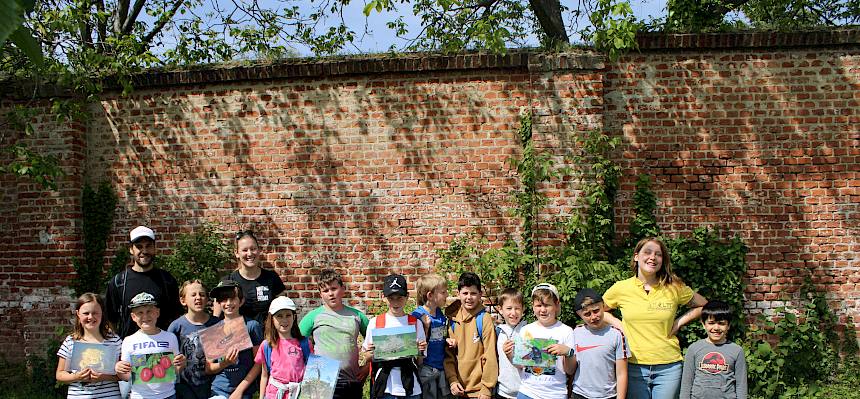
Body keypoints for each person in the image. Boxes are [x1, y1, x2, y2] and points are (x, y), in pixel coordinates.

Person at [602, 237, 708, 399]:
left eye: (658, 254)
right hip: (632, 365)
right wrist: (618, 323)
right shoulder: (621, 288)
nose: (653, 257)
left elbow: (704, 305)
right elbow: (597, 311)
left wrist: (679, 322)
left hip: (669, 367)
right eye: (648, 252)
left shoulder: (674, 287)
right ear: (636, 256)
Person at [298, 268, 370, 399]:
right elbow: (294, 342)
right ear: (320, 294)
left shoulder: (357, 316)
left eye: (334, 288)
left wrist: (367, 366)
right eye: (325, 291)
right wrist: (306, 366)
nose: (330, 294)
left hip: (351, 380)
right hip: (321, 379)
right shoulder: (313, 317)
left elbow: (374, 341)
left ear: (342, 289)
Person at [105, 226, 181, 338]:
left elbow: (176, 316)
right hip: (131, 351)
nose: (144, 251)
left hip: (162, 350)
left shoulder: (167, 280)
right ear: (131, 249)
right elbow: (110, 319)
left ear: (154, 248)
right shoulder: (119, 282)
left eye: (148, 246)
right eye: (139, 247)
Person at [363, 274, 429, 399]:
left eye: (399, 297)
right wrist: (371, 354)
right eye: (391, 298)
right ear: (384, 297)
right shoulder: (376, 322)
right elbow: (366, 356)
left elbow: (420, 361)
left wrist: (420, 351)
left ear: (407, 297)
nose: (395, 302)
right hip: (385, 386)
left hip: (410, 385)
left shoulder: (415, 323)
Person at [115, 292, 187, 399]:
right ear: (133, 317)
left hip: (168, 395)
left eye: (149, 311)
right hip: (140, 396)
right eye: (140, 313)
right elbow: (126, 376)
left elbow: (175, 369)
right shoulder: (129, 341)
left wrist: (182, 364)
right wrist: (119, 369)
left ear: (157, 312)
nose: (145, 316)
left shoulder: (170, 337)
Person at [510, 283, 575, 399]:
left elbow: (570, 370)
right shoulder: (525, 330)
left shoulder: (566, 331)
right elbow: (520, 365)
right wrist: (509, 354)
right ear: (533, 306)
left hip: (555, 394)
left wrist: (568, 352)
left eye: (547, 305)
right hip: (527, 392)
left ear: (556, 305)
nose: (543, 310)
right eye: (539, 305)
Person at [56, 293, 122, 399]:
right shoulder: (71, 341)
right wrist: (76, 376)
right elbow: (60, 375)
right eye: (86, 313)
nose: (90, 317)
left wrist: (104, 377)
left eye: (95, 313)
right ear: (78, 314)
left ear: (102, 313)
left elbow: (124, 374)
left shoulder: (114, 340)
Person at [444, 272, 498, 399]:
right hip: (457, 390)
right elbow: (449, 356)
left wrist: (487, 388)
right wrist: (452, 380)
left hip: (480, 392)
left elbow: (490, 355)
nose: (469, 297)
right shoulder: (452, 320)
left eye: (473, 293)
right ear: (458, 294)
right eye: (465, 293)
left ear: (480, 294)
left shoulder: (484, 319)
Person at [215, 231, 287, 325]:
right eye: (245, 250)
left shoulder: (272, 278)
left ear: (259, 250)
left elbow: (285, 310)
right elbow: (216, 319)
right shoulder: (228, 282)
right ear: (237, 253)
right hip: (239, 337)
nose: (249, 254)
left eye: (253, 249)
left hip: (268, 337)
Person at [208, 280, 265, 399]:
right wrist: (226, 362)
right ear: (218, 302)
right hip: (218, 390)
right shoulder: (214, 329)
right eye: (224, 299)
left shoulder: (251, 326)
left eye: (233, 298)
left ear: (241, 301)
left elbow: (259, 363)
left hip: (245, 390)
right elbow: (209, 368)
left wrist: (239, 391)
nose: (228, 303)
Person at [680, 300, 747, 399]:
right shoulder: (694, 349)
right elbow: (686, 383)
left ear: (728, 325)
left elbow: (741, 386)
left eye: (721, 323)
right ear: (703, 324)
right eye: (711, 323)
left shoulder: (737, 351)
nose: (716, 327)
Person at [571, 288, 628, 399]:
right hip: (580, 394)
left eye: (596, 310)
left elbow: (622, 373)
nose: (593, 317)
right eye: (587, 314)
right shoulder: (575, 333)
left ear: (603, 306)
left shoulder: (616, 335)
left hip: (608, 395)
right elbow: (570, 368)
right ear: (579, 315)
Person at [167, 280, 220, 399]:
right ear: (183, 300)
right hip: (184, 388)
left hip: (213, 387)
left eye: (202, 294)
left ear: (207, 299)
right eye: (193, 295)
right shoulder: (176, 327)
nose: (198, 298)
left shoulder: (217, 324)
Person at [255, 295, 309, 399]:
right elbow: (264, 375)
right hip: (274, 394)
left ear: (294, 317)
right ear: (272, 319)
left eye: (288, 315)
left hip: (298, 393)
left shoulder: (304, 343)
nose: (284, 320)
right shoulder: (267, 345)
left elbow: (312, 372)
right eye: (279, 316)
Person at [410, 273, 452, 399]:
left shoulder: (439, 312)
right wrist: (425, 327)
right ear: (430, 295)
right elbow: (415, 346)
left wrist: (447, 340)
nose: (447, 295)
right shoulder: (417, 316)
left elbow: (439, 336)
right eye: (443, 292)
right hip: (426, 368)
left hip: (441, 367)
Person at [496, 288, 525, 399]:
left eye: (517, 308)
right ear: (500, 309)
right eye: (509, 308)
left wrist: (512, 356)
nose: (513, 313)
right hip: (502, 392)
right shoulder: (498, 332)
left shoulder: (528, 331)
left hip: (524, 392)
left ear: (523, 309)